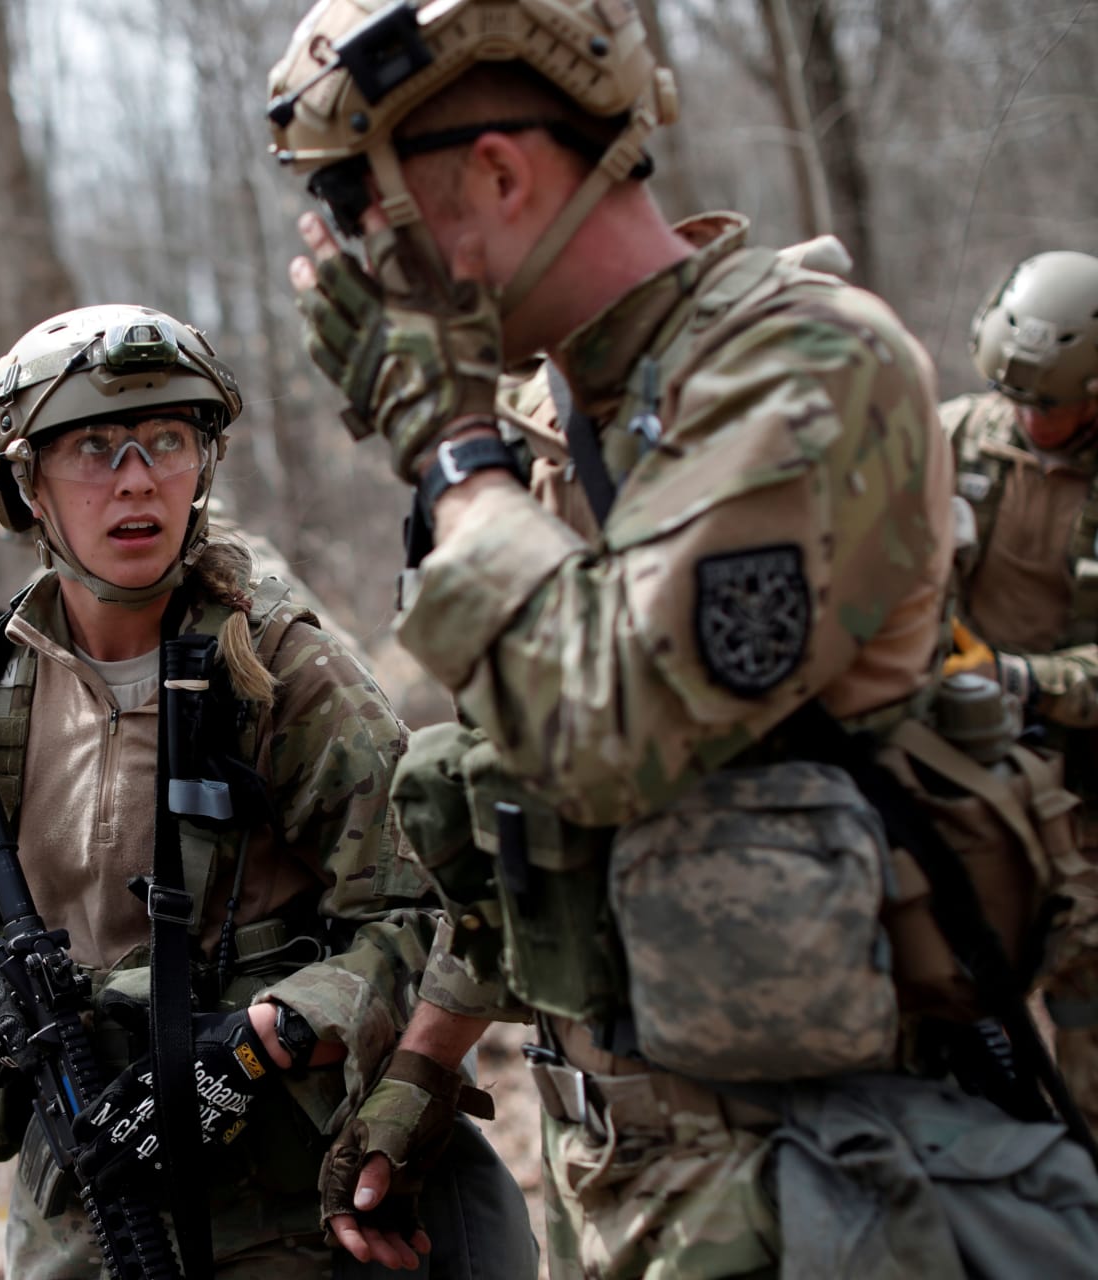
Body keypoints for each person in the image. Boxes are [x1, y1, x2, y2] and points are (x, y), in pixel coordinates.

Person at [268, 2, 1098, 1277]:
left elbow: (612, 726)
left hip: (818, 1181)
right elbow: (523, 793)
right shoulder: (539, 426)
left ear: (498, 171)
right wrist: (424, 1066)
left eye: (373, 218)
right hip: (620, 1175)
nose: (365, 275)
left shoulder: (808, 366)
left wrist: (448, 450)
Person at [0, 303, 535, 1278]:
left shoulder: (280, 667)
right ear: (26, 482)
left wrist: (263, 1040)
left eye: (167, 438)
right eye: (93, 447)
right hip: (86, 1191)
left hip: (281, 1196)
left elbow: (431, 906)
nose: (137, 476)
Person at [944, 250, 1098, 1131]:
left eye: (1053, 403)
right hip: (971, 793)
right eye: (1018, 396)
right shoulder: (956, 437)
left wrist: (1022, 681)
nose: (1030, 418)